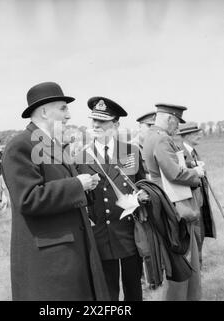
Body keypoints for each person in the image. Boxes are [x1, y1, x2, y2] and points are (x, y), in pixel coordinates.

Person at [2, 81, 110, 301]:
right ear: (43, 111)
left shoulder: (52, 144)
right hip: (50, 261)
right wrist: (77, 185)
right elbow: (29, 198)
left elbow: (62, 189)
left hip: (69, 254)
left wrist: (86, 185)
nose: (68, 115)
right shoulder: (20, 145)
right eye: (63, 108)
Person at [76, 97, 149, 301]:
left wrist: (143, 195)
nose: (96, 125)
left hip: (128, 232)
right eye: (94, 120)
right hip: (100, 233)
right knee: (107, 292)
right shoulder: (81, 156)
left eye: (103, 121)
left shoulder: (131, 151)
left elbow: (142, 183)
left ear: (116, 124)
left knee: (134, 288)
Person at [143, 103, 205, 301]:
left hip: (167, 207)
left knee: (182, 263)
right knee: (185, 264)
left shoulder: (150, 137)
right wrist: (196, 173)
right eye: (176, 121)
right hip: (176, 210)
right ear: (169, 119)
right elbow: (174, 173)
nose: (177, 127)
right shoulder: (161, 139)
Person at [175, 122, 216, 265]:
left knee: (201, 234)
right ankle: (193, 268)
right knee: (193, 235)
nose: (199, 135)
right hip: (190, 203)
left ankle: (198, 265)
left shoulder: (193, 151)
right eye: (195, 133)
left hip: (200, 201)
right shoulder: (179, 153)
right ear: (186, 136)